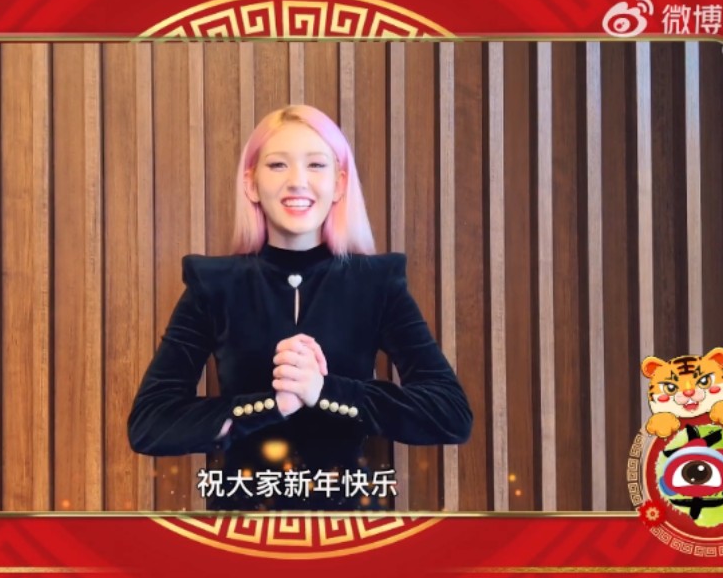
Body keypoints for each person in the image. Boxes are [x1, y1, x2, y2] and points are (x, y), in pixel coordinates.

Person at [128, 104, 472, 510]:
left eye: (316, 165)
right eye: (277, 165)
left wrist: (325, 391)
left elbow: (449, 414)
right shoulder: (213, 284)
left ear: (339, 184)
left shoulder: (377, 283)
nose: (297, 181)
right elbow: (150, 423)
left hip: (350, 526)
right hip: (242, 527)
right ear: (251, 183)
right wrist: (267, 406)